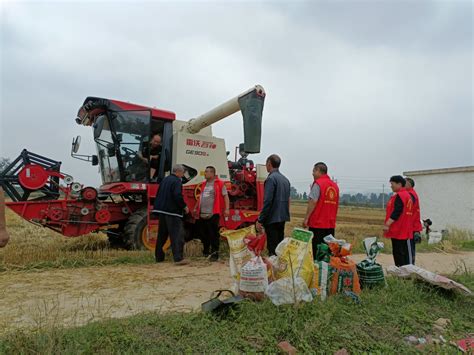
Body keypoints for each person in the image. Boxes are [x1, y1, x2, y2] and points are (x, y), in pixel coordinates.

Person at [153, 164, 189, 265]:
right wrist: (184, 206)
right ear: (178, 172)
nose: (182, 175)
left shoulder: (165, 179)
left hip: (162, 211)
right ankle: (178, 258)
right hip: (172, 212)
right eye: (182, 173)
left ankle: (159, 258)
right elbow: (177, 195)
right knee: (177, 235)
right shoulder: (177, 181)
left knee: (162, 236)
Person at [303, 162, 340, 257]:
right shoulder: (335, 186)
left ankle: (317, 270)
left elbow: (313, 201)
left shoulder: (318, 184)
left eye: (314, 171)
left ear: (319, 171)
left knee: (317, 251)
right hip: (330, 225)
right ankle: (326, 270)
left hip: (317, 224)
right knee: (328, 251)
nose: (312, 173)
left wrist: (306, 218)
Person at [256, 154, 291, 256]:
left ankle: (273, 268)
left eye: (266, 164)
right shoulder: (285, 180)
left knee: (272, 247)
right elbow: (288, 200)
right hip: (282, 217)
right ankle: (279, 268)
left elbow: (267, 201)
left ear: (269, 164)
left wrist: (260, 219)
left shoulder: (271, 179)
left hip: (272, 218)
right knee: (280, 246)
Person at [194, 166, 230, 261]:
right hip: (202, 213)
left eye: (207, 172)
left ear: (212, 173)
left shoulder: (220, 184)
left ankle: (215, 254)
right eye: (205, 171)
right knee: (203, 234)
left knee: (213, 234)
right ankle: (206, 252)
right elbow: (200, 197)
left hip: (213, 213)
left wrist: (227, 209)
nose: (205, 173)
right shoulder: (203, 184)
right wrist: (195, 208)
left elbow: (226, 197)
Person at [383, 175, 415, 266]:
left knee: (399, 253)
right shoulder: (406, 195)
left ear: (399, 184)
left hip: (399, 229)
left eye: (392, 184)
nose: (391, 186)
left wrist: (387, 224)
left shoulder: (400, 196)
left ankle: (401, 272)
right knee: (401, 252)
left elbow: (397, 211)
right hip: (403, 229)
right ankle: (403, 272)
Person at [405, 177, 423, 263]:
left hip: (410, 227)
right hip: (413, 226)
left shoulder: (410, 195)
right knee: (410, 249)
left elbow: (406, 211)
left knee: (408, 250)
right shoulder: (411, 194)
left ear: (409, 184)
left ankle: (409, 269)